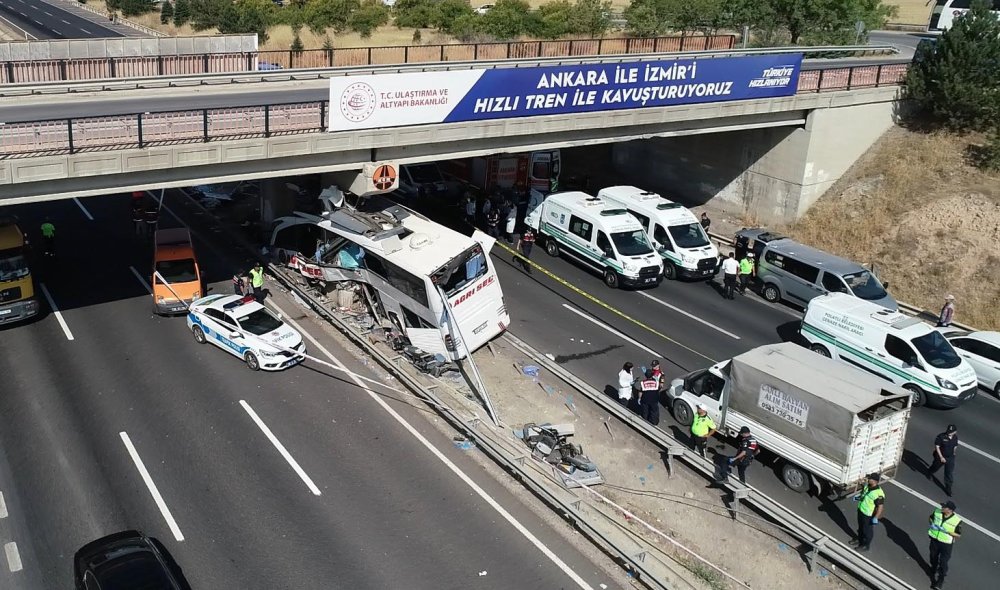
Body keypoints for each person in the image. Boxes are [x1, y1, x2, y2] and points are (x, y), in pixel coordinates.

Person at [928, 500, 962, 590]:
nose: (942, 508)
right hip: (935, 539)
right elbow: (930, 518)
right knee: (933, 556)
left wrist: (947, 531)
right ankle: (933, 567)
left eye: (944, 507)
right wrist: (931, 524)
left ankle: (940, 581)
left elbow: (958, 534)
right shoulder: (937, 511)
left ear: (950, 510)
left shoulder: (957, 520)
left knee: (943, 562)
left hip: (946, 544)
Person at [851, 473, 885, 552]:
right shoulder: (867, 486)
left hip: (868, 514)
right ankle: (860, 539)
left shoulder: (878, 493)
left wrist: (876, 517)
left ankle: (866, 545)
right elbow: (864, 494)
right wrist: (858, 497)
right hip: (861, 510)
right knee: (860, 527)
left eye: (870, 479)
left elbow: (880, 507)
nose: (868, 479)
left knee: (867, 530)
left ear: (875, 481)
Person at [928, 424, 959, 496]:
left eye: (951, 432)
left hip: (950, 458)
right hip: (941, 457)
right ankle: (929, 472)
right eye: (949, 431)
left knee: (949, 473)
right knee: (935, 467)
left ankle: (948, 489)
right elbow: (937, 447)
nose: (949, 433)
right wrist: (941, 457)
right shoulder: (941, 436)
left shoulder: (955, 437)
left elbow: (955, 445)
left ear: (955, 432)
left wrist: (954, 453)